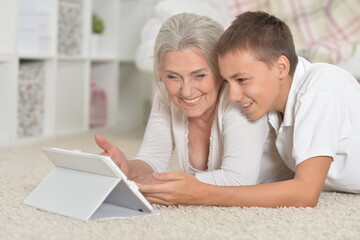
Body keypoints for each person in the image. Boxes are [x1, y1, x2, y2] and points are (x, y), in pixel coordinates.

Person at [141, 10, 360, 207]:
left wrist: (200, 193)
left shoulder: (320, 88)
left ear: (281, 67)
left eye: (242, 80)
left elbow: (305, 192)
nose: (233, 96)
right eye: (228, 82)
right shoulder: (273, 106)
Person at [95, 13, 293, 204]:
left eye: (199, 75)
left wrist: (165, 183)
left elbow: (237, 180)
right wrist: (127, 168)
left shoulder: (239, 99)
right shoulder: (166, 94)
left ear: (220, 71)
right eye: (173, 76)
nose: (187, 91)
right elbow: (152, 160)